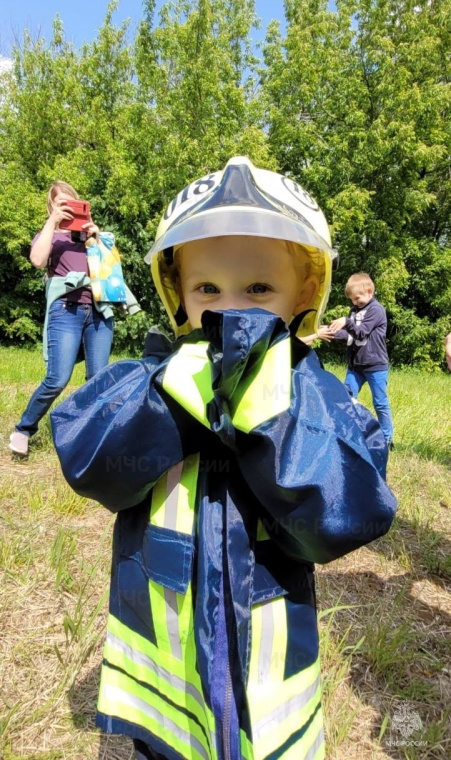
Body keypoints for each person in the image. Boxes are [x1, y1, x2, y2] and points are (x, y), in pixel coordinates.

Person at [51, 158, 397, 760]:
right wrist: (170, 406)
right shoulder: (152, 376)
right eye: (206, 287)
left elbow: (348, 511)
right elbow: (87, 456)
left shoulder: (311, 391)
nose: (227, 308)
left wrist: (269, 416)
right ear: (177, 294)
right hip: (164, 671)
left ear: (304, 296)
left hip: (267, 675)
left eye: (259, 288)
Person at [9, 181, 131, 457]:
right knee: (57, 378)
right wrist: (53, 222)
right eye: (59, 203)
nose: (65, 207)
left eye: (69, 202)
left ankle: (92, 436)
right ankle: (23, 430)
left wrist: (98, 239)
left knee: (98, 379)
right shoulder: (50, 235)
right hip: (66, 312)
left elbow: (113, 272)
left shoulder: (92, 236)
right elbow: (38, 261)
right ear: (51, 206)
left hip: (99, 312)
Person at [325, 273, 394, 449]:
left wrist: (346, 322)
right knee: (346, 398)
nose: (355, 303)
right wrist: (329, 331)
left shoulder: (376, 310)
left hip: (375, 366)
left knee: (380, 402)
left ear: (369, 291)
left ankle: (387, 439)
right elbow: (351, 335)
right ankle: (346, 434)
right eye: (352, 300)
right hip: (355, 366)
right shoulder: (354, 311)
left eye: (358, 299)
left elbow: (362, 332)